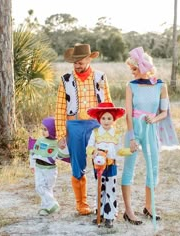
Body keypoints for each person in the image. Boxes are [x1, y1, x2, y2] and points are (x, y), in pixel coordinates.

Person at [121, 47, 180, 225]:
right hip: (134, 130)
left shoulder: (161, 86)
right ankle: (128, 210)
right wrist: (131, 137)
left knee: (153, 168)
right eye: (131, 69)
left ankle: (149, 206)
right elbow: (128, 113)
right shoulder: (130, 86)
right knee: (129, 168)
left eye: (134, 69)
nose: (132, 73)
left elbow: (164, 112)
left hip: (150, 129)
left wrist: (154, 118)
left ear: (144, 66)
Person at [55, 43, 112, 215]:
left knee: (102, 161)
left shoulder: (100, 77)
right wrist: (61, 133)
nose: (77, 66)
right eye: (75, 63)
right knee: (77, 165)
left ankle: (104, 203)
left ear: (89, 59)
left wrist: (110, 128)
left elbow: (107, 102)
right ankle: (82, 203)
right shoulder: (66, 79)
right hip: (74, 126)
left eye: (80, 62)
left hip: (96, 125)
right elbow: (60, 108)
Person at [86, 102, 127, 228]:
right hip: (98, 165)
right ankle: (100, 213)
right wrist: (94, 152)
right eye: (103, 118)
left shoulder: (116, 133)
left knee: (110, 189)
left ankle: (109, 215)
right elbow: (89, 147)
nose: (106, 121)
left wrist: (130, 150)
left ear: (113, 119)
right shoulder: (95, 132)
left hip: (111, 165)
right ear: (99, 119)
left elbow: (120, 150)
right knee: (100, 189)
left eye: (109, 118)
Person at [29, 117, 60, 216]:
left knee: (47, 187)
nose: (43, 131)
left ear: (52, 130)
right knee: (39, 187)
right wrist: (32, 165)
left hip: (50, 169)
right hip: (39, 168)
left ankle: (45, 207)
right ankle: (52, 203)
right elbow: (33, 152)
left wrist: (50, 157)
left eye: (45, 129)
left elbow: (57, 154)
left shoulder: (56, 143)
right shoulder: (40, 140)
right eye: (42, 129)